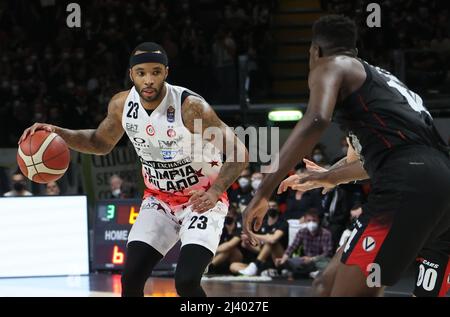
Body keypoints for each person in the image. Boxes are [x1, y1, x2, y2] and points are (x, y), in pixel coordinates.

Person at [19, 42, 249, 297]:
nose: (148, 80)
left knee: (185, 281)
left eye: (155, 72)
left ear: (166, 72)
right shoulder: (121, 105)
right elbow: (99, 142)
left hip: (202, 198)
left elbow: (240, 152)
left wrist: (216, 190)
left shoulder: (190, 107)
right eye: (141, 73)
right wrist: (58, 132)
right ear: (131, 74)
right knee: (130, 279)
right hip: (158, 200)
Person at [243, 15, 450, 297]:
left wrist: (263, 193)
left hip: (409, 181)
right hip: (439, 184)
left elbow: (316, 120)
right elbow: (376, 161)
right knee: (324, 285)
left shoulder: (332, 64)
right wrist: (328, 177)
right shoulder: (382, 85)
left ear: (315, 52)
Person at [235, 201, 289, 276]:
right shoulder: (262, 223)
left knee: (270, 242)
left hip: (278, 259)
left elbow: (273, 239)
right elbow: (260, 249)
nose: (271, 208)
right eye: (269, 207)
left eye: (274, 206)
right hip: (264, 259)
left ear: (278, 208)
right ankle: (257, 270)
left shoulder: (283, 222)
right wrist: (247, 244)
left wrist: (251, 234)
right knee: (233, 266)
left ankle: (256, 266)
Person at [275, 208, 332, 279]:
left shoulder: (326, 233)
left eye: (314, 220)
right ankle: (308, 273)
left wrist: (311, 259)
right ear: (305, 220)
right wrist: (283, 259)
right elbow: (292, 246)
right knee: (289, 262)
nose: (311, 223)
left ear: (318, 220)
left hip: (319, 261)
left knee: (327, 265)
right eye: (309, 220)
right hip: (305, 261)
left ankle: (305, 273)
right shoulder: (302, 232)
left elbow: (327, 253)